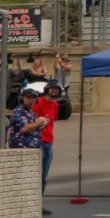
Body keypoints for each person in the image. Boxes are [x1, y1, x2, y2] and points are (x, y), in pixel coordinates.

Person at [35, 82, 61, 211]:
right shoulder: (39, 101)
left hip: (49, 141)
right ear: (47, 89)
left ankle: (38, 204)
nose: (54, 91)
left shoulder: (55, 105)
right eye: (52, 89)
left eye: (57, 89)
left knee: (44, 176)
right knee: (36, 174)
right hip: (38, 141)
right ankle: (33, 204)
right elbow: (33, 119)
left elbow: (52, 120)